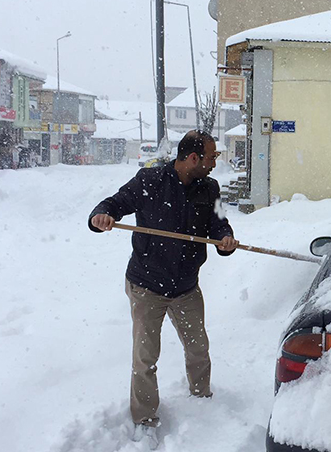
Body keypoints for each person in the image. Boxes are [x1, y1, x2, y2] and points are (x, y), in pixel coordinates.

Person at [88, 130, 238, 448]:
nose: (215, 162)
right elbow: (115, 203)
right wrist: (101, 216)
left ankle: (202, 399)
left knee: (198, 349)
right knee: (145, 358)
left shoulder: (209, 187)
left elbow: (220, 221)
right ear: (194, 158)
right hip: (147, 285)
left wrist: (225, 238)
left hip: (185, 286)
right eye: (212, 157)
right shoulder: (150, 180)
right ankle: (144, 419)